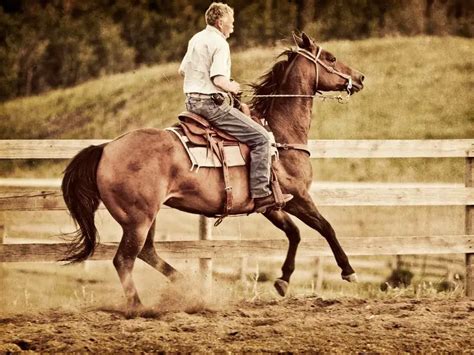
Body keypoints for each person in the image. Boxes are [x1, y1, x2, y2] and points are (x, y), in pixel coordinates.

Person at [178, 2, 293, 213]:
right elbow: (219, 78)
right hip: (210, 105)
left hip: (192, 103)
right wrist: (231, 85)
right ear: (220, 22)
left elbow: (183, 70)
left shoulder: (197, 38)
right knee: (260, 138)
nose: (233, 27)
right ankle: (261, 194)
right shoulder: (220, 43)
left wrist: (203, 82)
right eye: (231, 22)